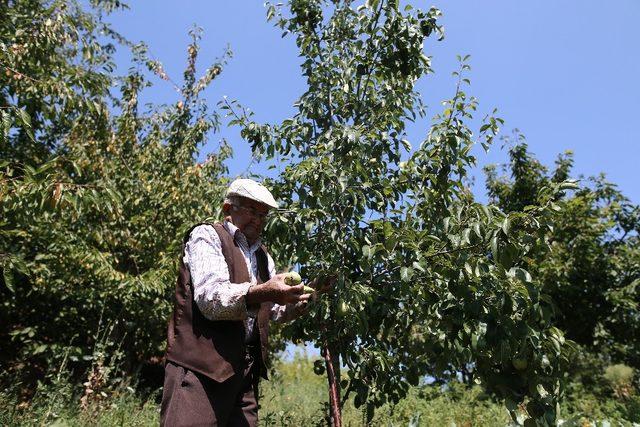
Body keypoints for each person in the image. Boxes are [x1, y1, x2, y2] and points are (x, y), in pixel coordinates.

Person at [161, 178, 327, 426]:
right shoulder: (207, 236)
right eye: (252, 211)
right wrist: (263, 292)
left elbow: (274, 312)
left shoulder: (263, 256)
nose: (258, 220)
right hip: (200, 370)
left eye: (263, 215)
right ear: (229, 209)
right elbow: (210, 299)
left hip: (243, 374)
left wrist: (303, 299)